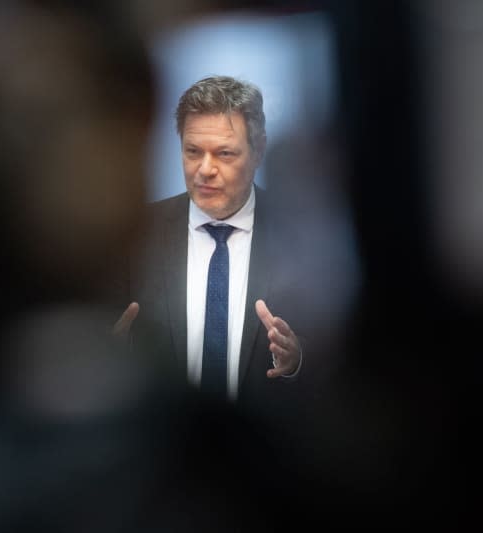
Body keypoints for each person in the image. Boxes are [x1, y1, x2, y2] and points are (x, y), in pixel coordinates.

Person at [114, 76, 329, 425]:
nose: (205, 169)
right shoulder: (138, 233)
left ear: (258, 150)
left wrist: (297, 359)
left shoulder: (296, 232)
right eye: (193, 151)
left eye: (225, 153)